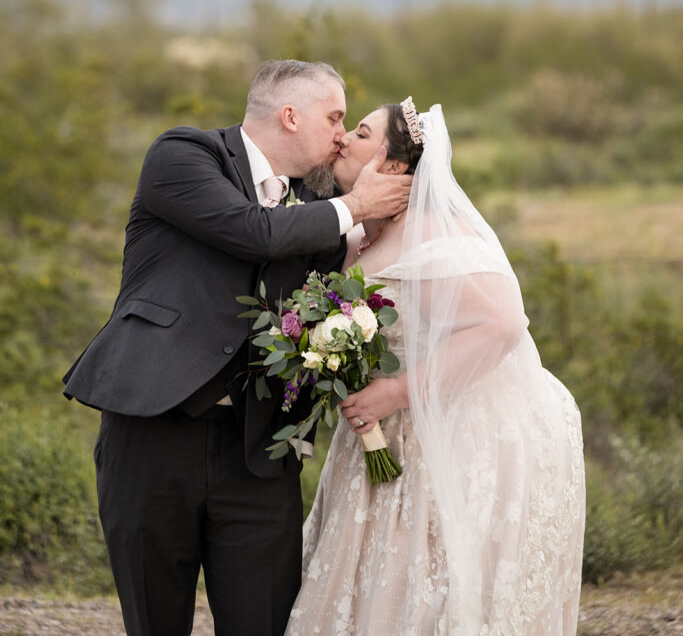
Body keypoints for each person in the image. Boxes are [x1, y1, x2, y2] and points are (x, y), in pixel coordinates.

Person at [62, 60, 412, 636]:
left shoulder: (317, 205)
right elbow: (253, 232)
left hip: (260, 452)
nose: (341, 135)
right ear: (291, 116)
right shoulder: (183, 156)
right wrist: (356, 207)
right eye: (334, 117)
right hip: (153, 431)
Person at [286, 99, 585, 636]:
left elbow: (501, 322)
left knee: (419, 591)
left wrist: (396, 391)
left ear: (395, 166)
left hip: (433, 437)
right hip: (378, 437)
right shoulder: (359, 235)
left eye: (359, 133)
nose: (343, 141)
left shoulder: (431, 231)